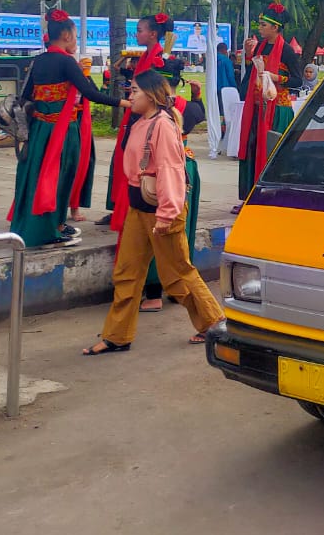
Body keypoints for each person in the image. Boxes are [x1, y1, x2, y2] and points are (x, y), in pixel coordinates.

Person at [82, 69, 224, 354]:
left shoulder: (163, 125)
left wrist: (167, 214)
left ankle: (213, 323)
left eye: (135, 90)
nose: (130, 95)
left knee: (177, 274)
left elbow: (171, 170)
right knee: (127, 272)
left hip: (162, 210)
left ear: (151, 95)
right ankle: (117, 336)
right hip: (139, 208)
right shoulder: (141, 121)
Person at [8, 10, 128, 249]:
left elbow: (26, 95)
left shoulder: (38, 61)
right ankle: (51, 229)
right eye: (75, 35)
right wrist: (124, 103)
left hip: (39, 130)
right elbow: (91, 93)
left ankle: (41, 226)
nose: (75, 40)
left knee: (36, 176)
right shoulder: (66, 62)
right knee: (60, 178)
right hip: (62, 131)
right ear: (65, 35)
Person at [138, 60, 203, 313]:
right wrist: (196, 96)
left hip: (158, 171)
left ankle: (154, 293)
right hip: (186, 168)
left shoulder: (151, 108)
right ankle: (181, 289)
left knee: (156, 232)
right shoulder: (191, 108)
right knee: (181, 233)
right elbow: (199, 113)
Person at [100, 13, 170, 231]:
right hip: (134, 113)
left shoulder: (159, 58)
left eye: (140, 30)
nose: (136, 34)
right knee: (123, 160)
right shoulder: (146, 55)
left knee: (134, 164)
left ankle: (128, 210)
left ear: (153, 34)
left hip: (143, 117)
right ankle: (119, 208)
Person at [234, 2, 303, 213]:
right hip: (257, 108)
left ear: (275, 27)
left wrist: (276, 77)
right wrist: (249, 56)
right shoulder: (260, 47)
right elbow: (253, 74)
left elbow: (298, 81)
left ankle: (272, 197)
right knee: (251, 150)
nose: (260, 28)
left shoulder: (287, 51)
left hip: (277, 110)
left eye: (264, 25)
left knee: (271, 153)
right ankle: (249, 196)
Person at [68, 56, 99, 223]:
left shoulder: (84, 79)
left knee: (83, 163)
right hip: (65, 121)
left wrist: (86, 75)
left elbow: (94, 93)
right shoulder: (62, 78)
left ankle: (75, 207)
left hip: (81, 121)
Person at [214, 40, 237, 116]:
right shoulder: (227, 61)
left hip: (213, 88)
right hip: (225, 88)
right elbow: (230, 76)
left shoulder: (212, 60)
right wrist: (235, 87)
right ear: (224, 50)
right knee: (225, 110)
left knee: (216, 109)